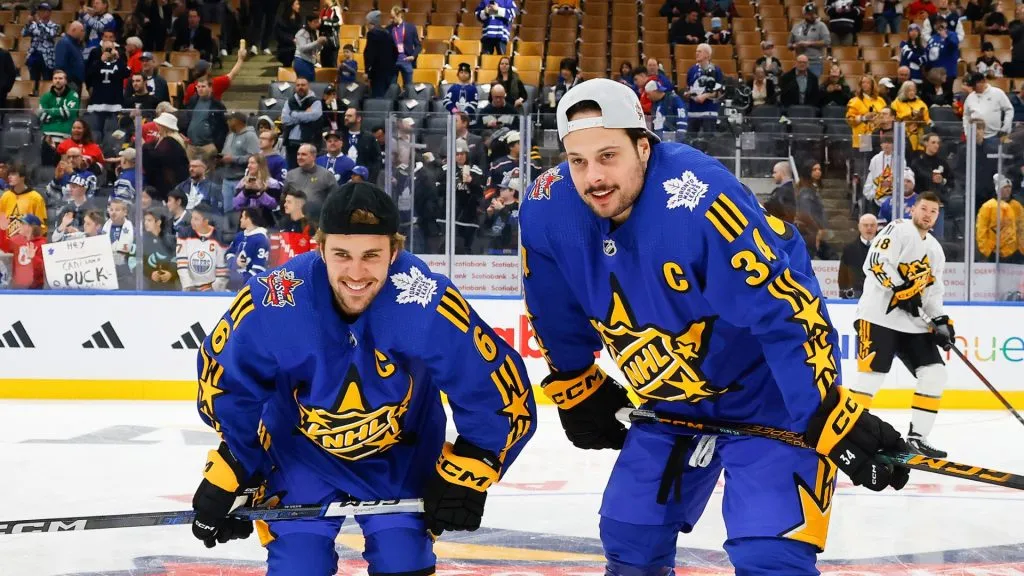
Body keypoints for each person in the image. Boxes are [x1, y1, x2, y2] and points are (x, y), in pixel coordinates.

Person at [519, 78, 909, 576]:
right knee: (629, 539)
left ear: (644, 145)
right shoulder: (548, 205)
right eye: (578, 160)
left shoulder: (700, 199)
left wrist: (823, 411)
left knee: (770, 554)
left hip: (769, 392)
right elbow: (551, 305)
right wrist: (575, 381)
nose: (593, 176)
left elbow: (785, 308)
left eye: (608, 155)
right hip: (671, 398)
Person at [188, 182, 536, 573]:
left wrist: (475, 461)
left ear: (394, 251)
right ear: (319, 249)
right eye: (341, 254)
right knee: (299, 563)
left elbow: (491, 385)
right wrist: (237, 463)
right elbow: (227, 380)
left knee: (403, 560)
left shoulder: (425, 301)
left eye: (371, 255)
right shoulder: (275, 299)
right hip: (299, 453)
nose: (356, 273)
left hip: (400, 453)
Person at [852, 192, 951, 458]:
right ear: (913, 210)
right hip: (877, 317)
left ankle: (918, 437)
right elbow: (874, 263)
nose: (928, 214)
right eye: (924, 208)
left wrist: (941, 321)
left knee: (934, 373)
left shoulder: (935, 251)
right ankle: (848, 431)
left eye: (934, 211)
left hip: (912, 323)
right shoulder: (898, 229)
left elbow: (933, 293)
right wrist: (901, 289)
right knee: (871, 376)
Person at [838, 213, 878, 299]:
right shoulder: (849, 249)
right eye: (865, 225)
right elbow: (843, 274)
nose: (869, 228)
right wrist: (845, 293)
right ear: (859, 227)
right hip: (856, 293)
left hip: (878, 293)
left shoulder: (884, 249)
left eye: (872, 225)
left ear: (876, 227)